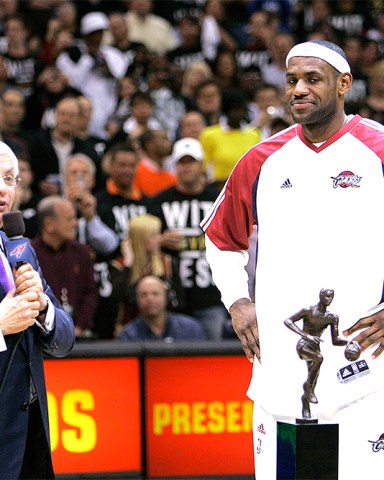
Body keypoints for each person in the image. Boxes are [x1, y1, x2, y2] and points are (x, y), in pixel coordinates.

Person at [201, 40, 384, 479]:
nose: (298, 89)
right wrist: (238, 302)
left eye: (312, 79)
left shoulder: (377, 150)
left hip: (366, 366)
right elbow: (221, 237)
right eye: (291, 80)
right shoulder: (261, 160)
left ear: (344, 84)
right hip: (280, 369)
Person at [0, 141, 75, 478]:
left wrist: (43, 307)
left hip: (27, 432)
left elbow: (64, 339)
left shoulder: (19, 249)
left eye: (10, 178)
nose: (4, 189)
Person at [149, 137, 227, 340]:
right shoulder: (159, 202)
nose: (186, 168)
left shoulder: (218, 200)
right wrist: (160, 241)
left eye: (191, 162)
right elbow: (145, 244)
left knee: (211, 361)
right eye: (182, 163)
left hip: (211, 296)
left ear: (201, 164)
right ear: (175, 166)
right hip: (173, 298)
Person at [32, 196, 98, 340]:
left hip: (80, 337)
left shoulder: (82, 252)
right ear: (49, 224)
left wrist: (78, 327)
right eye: (69, 219)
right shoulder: (30, 254)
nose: (75, 223)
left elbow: (90, 293)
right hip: (42, 338)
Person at [284, 288, 348, 419]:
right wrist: (306, 335)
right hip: (304, 345)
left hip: (315, 347)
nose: (329, 300)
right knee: (319, 359)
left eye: (331, 297)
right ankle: (307, 387)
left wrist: (349, 342)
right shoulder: (308, 310)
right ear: (321, 296)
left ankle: (305, 402)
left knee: (314, 380)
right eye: (327, 296)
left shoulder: (332, 317)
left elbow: (335, 340)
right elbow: (288, 321)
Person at [117, 275, 205, 341]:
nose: (150, 299)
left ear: (166, 297)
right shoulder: (128, 335)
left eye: (155, 293)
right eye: (144, 294)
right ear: (136, 299)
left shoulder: (190, 328)